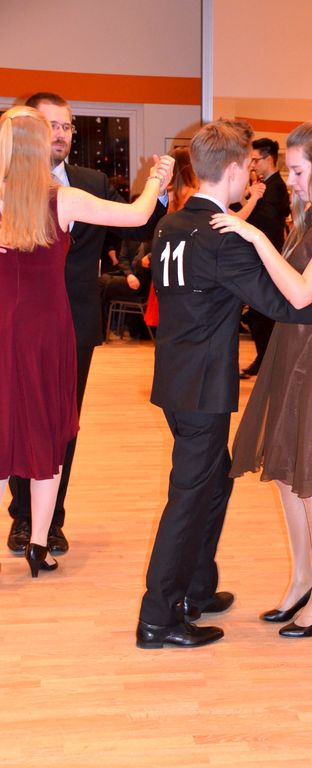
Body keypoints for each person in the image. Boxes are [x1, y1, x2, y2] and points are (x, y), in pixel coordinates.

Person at [136, 119, 312, 650]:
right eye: (253, 169)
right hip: (202, 386)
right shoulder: (223, 238)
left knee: (214, 483)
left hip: (175, 376)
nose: (268, 177)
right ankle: (158, 616)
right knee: (190, 497)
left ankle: (197, 588)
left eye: (297, 170)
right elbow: (285, 302)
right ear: (236, 169)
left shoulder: (171, 224)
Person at [211, 119, 312, 638]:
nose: (292, 180)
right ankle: (303, 580)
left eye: (299, 171)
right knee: (286, 469)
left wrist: (255, 235)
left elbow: (299, 293)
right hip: (296, 347)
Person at [0, 105, 173, 576]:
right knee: (50, 433)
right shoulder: (64, 199)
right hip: (48, 330)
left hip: (6, 329)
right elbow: (138, 214)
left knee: (5, 431)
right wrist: (157, 178)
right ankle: (39, 544)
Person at [234, 138, 291, 378]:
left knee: (261, 314)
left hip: (266, 257)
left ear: (269, 159)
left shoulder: (275, 186)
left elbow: (265, 223)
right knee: (258, 314)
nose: (253, 165)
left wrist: (246, 205)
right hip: (261, 256)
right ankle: (265, 359)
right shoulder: (265, 185)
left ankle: (267, 360)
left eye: (256, 160)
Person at [144, 147, 198, 328]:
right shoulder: (196, 195)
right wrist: (253, 199)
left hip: (164, 261)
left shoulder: (164, 194)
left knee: (166, 322)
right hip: (187, 263)